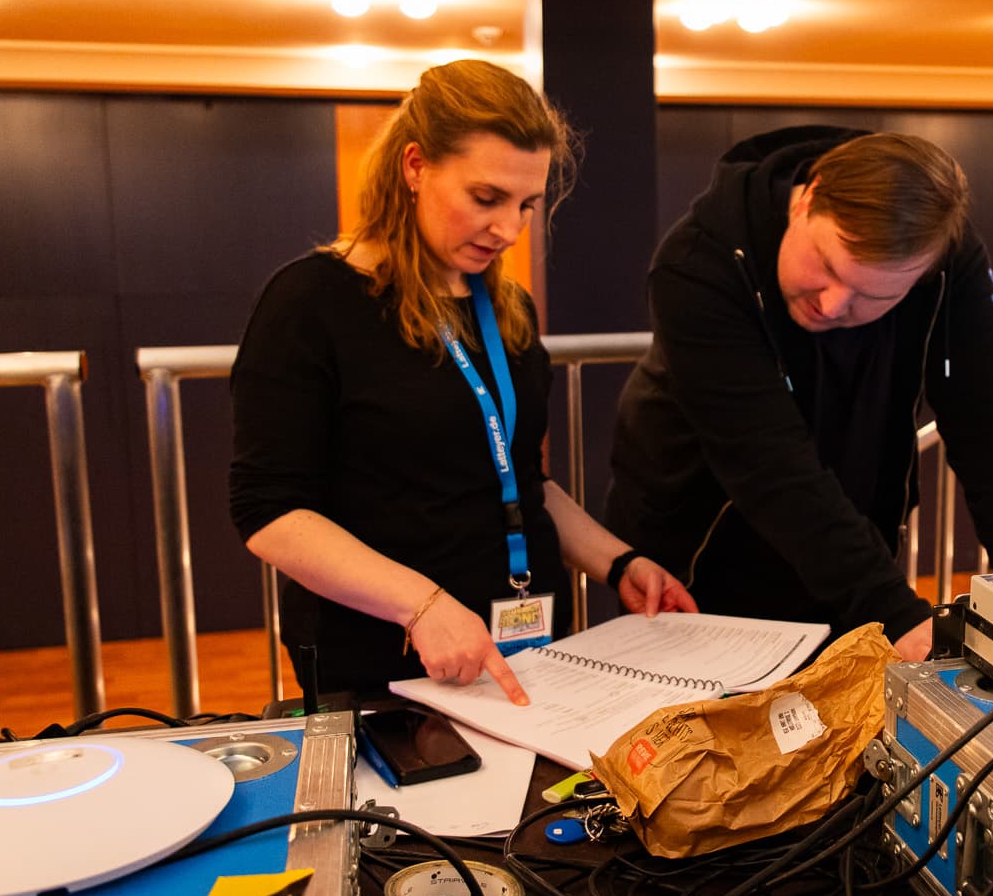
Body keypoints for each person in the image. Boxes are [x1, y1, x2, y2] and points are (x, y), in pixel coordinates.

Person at [229, 59, 694, 705]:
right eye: (486, 198)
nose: (509, 230)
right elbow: (270, 512)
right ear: (416, 166)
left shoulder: (508, 309)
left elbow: (521, 481)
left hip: (526, 643)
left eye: (526, 205)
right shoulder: (310, 302)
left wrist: (619, 563)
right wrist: (420, 605)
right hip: (383, 654)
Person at [605, 126, 993, 663]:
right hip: (697, 556)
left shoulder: (944, 256)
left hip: (843, 543)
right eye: (826, 266)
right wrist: (895, 612)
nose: (830, 305)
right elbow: (769, 466)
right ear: (808, 198)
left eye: (873, 295)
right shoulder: (697, 264)